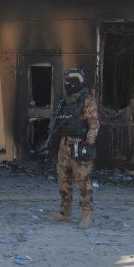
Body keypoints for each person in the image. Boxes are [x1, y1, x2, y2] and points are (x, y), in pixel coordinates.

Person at [48, 67, 100, 229]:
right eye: (66, 81)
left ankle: (86, 214)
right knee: (63, 179)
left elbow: (94, 124)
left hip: (80, 144)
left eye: (70, 81)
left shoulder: (87, 100)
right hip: (65, 144)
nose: (67, 84)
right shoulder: (64, 101)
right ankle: (65, 212)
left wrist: (88, 144)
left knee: (83, 181)